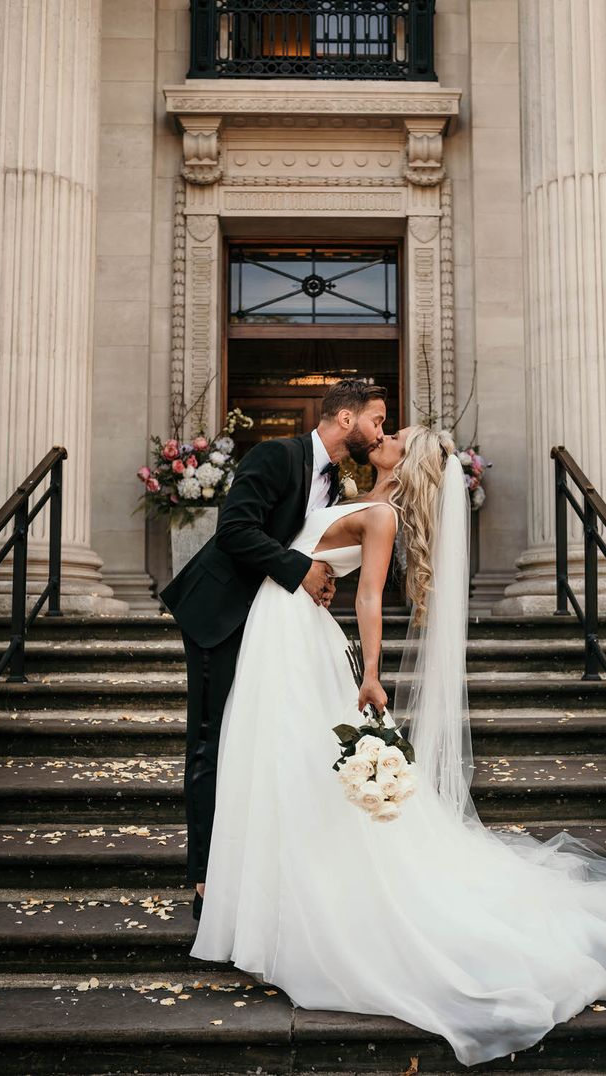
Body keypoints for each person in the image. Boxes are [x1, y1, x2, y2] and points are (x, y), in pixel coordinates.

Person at [190, 425, 606, 1069]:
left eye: (394, 434)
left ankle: (286, 908)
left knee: (290, 764)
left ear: (406, 464)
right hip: (285, 619)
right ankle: (263, 902)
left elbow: (372, 595)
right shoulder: (350, 489)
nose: (383, 433)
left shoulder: (381, 513)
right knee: (277, 764)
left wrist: (372, 671)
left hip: (297, 633)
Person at [158, 379, 387, 919]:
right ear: (347, 419)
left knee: (255, 741)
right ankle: (206, 881)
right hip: (221, 613)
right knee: (212, 741)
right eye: (376, 420)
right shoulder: (276, 455)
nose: (380, 431)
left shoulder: (336, 482)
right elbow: (236, 530)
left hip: (273, 623)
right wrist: (301, 570)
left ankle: (255, 870)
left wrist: (317, 578)